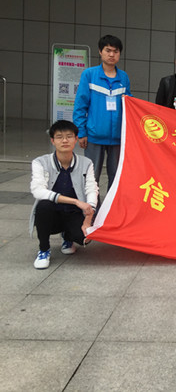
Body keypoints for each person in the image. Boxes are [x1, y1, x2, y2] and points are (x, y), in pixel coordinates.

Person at [29, 120, 99, 269]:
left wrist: (88, 218)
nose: (65, 140)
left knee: (85, 238)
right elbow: (37, 190)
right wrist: (75, 201)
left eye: (69, 136)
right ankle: (44, 250)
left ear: (76, 139)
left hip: (74, 213)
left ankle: (68, 237)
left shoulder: (86, 163)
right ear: (52, 141)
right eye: (59, 137)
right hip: (52, 214)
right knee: (43, 206)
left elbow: (92, 189)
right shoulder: (40, 162)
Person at [73, 34, 131, 192]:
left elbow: (130, 106)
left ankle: (111, 207)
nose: (112, 54)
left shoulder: (123, 77)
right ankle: (93, 206)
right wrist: (81, 132)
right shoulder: (89, 75)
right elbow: (80, 106)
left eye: (115, 51)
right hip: (94, 136)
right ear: (100, 51)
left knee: (116, 177)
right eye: (108, 50)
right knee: (92, 177)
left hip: (118, 138)